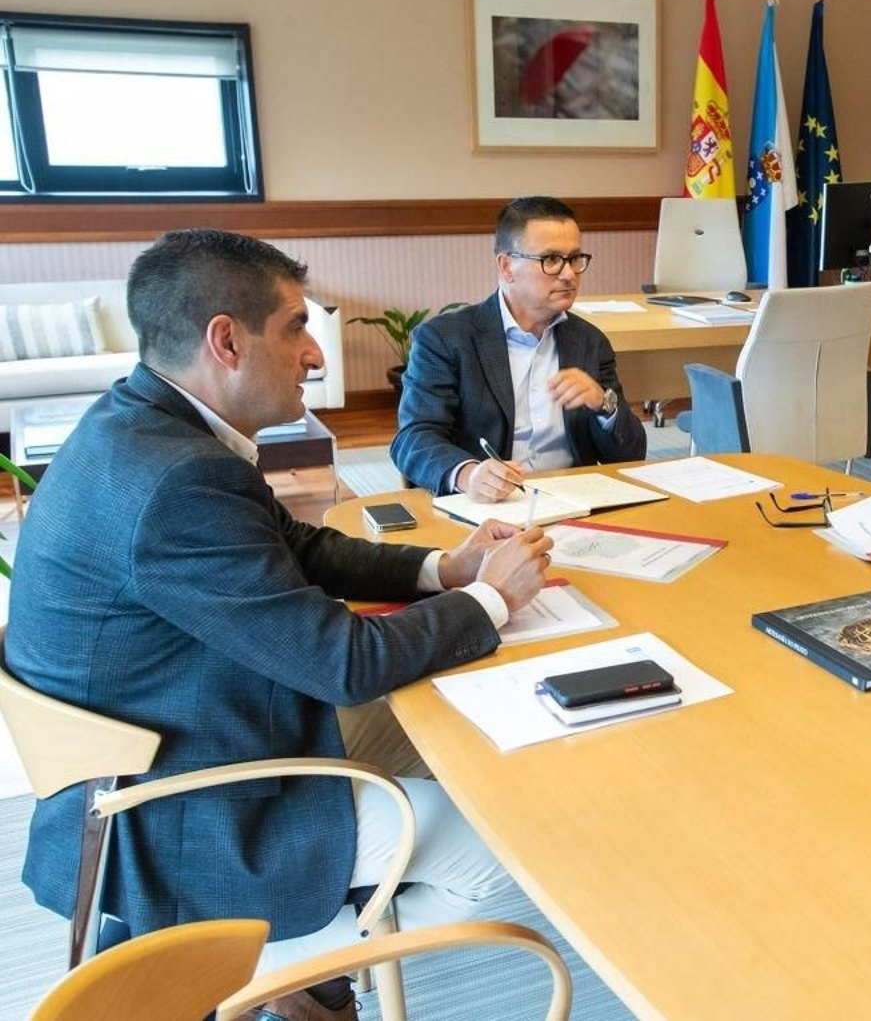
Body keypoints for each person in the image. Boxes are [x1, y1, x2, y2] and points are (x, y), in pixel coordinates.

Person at [8, 230, 554, 1021]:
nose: (316, 355)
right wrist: (492, 600)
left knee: (443, 734)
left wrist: (446, 568)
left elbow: (295, 544)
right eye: (297, 326)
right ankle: (263, 967)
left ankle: (299, 956)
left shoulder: (144, 422)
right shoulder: (179, 478)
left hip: (160, 739)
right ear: (226, 341)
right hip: (181, 807)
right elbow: (344, 663)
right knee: (499, 847)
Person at [391, 195, 647, 500]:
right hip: (488, 506)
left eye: (574, 259)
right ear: (507, 266)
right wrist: (468, 475)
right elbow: (414, 439)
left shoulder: (590, 341)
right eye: (551, 259)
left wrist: (604, 404)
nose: (569, 274)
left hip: (573, 500)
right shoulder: (445, 339)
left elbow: (631, 455)